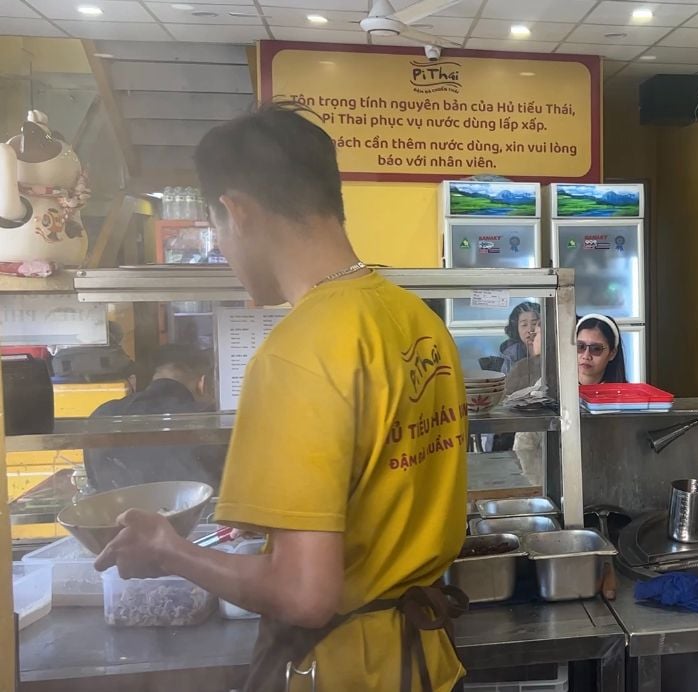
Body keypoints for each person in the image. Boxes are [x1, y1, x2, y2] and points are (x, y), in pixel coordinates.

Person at [93, 102, 470, 692]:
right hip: (426, 661)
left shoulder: (297, 351)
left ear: (236, 211)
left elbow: (304, 594)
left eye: (215, 228)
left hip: (344, 672)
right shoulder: (415, 317)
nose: (221, 247)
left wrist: (167, 550)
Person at [84, 344, 226, 492]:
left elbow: (94, 484)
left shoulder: (103, 414)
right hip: (193, 513)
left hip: (115, 512)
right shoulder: (206, 419)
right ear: (202, 384)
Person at [575, 313, 627, 385]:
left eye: (596, 349)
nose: (586, 356)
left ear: (612, 354)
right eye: (580, 346)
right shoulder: (558, 391)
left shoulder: (628, 394)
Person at [498, 302, 540, 374]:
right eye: (524, 325)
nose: (530, 329)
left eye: (534, 324)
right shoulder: (510, 355)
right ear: (516, 328)